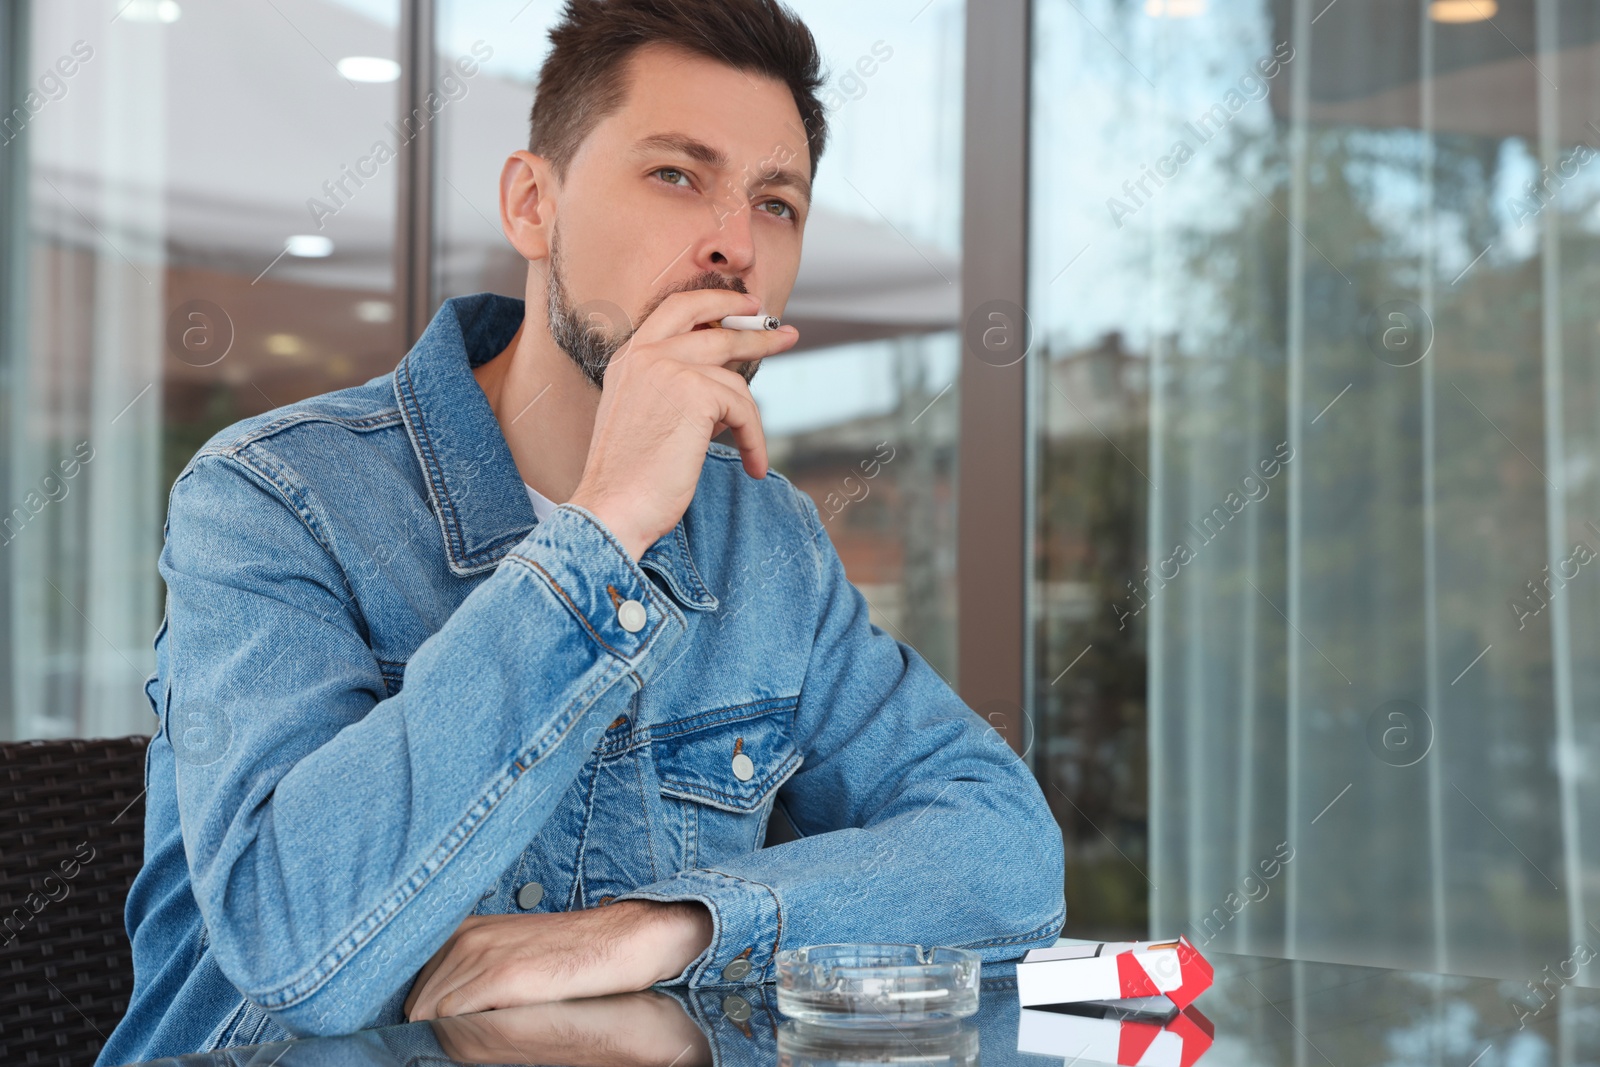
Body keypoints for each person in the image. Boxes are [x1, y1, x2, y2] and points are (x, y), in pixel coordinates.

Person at [99, 1, 1064, 1062]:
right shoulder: (271, 495)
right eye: (675, 174)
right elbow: (294, 937)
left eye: (777, 203)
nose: (733, 244)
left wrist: (663, 928)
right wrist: (603, 528)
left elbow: (1004, 848)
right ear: (532, 204)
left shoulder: (763, 538)